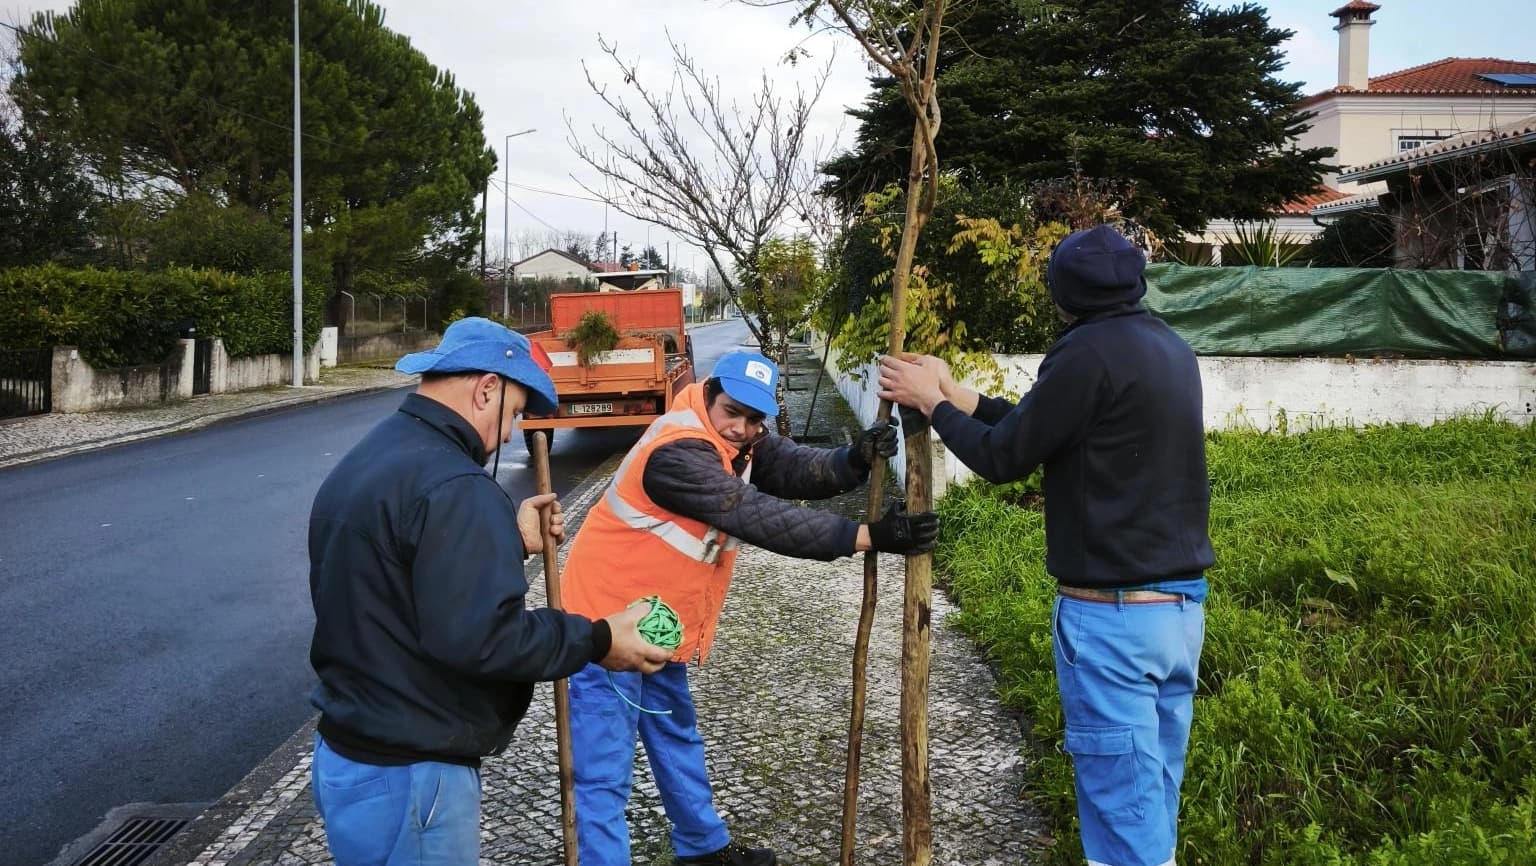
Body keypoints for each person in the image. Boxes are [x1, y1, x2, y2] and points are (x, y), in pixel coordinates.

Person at [878, 225, 1214, 866]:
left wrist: (930, 406)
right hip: (1176, 615)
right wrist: (952, 394)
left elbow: (1004, 458)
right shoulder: (1168, 347)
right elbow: (1038, 425)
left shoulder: (1085, 353)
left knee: (1124, 829)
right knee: (1151, 806)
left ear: (1062, 294)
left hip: (1113, 619)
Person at [306, 317, 674, 866]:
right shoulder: (457, 486)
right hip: (414, 776)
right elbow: (485, 639)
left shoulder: (373, 456)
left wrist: (504, 539)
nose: (509, 435)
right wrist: (598, 639)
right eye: (517, 412)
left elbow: (400, 578)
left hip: (348, 756)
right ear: (486, 388)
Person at [560, 350, 939, 866]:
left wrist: (853, 459)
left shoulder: (740, 441)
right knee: (603, 770)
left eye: (754, 419)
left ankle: (702, 849)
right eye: (732, 413)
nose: (742, 428)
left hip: (652, 619)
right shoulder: (678, 452)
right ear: (710, 394)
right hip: (603, 619)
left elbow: (795, 467)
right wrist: (867, 536)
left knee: (675, 733)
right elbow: (758, 516)